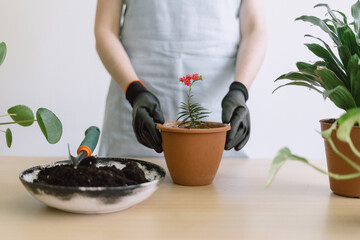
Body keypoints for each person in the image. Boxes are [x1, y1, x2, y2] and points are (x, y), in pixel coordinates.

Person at [95, 0, 266, 158]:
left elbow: (254, 29)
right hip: (135, 100)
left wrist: (240, 90)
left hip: (218, 106)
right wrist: (134, 91)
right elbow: (105, 29)